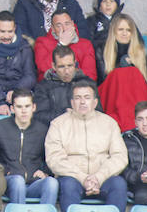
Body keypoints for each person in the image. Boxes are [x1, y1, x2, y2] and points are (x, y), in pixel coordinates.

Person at [44, 79, 128, 212]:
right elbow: (54, 159)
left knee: (119, 184)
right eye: (77, 98)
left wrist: (99, 177)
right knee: (68, 185)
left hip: (103, 178)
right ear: (72, 102)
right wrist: (83, 178)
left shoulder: (109, 123)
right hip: (73, 178)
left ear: (95, 102)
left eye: (87, 97)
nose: (82, 102)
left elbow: (120, 156)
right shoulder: (58, 124)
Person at [0, 89, 58, 205]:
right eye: (19, 107)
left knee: (51, 183)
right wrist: (5, 171)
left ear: (34, 107)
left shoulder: (43, 130)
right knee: (18, 181)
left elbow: (50, 156)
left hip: (34, 183)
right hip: (9, 181)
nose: (24, 111)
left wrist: (45, 171)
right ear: (12, 109)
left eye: (27, 106)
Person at [97, 13, 147, 131]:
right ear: (113, 31)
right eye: (120, 29)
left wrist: (130, 66)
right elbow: (103, 79)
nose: (124, 33)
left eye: (128, 30)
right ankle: (128, 122)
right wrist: (122, 67)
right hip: (111, 95)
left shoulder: (141, 51)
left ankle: (132, 120)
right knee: (121, 74)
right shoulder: (102, 49)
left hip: (135, 98)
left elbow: (145, 82)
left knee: (132, 72)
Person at [32, 10, 96, 82]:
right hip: (52, 87)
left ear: (72, 24)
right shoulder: (42, 42)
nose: (64, 28)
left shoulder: (85, 44)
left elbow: (91, 75)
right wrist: (61, 44)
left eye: (67, 24)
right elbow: (44, 68)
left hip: (78, 87)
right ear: (52, 28)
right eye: (59, 25)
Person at [33, 46, 89, 124]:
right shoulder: (43, 87)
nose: (66, 71)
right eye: (61, 66)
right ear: (53, 66)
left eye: (70, 66)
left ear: (75, 64)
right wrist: (64, 114)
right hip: (56, 131)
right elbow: (39, 116)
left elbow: (98, 112)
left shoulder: (87, 83)